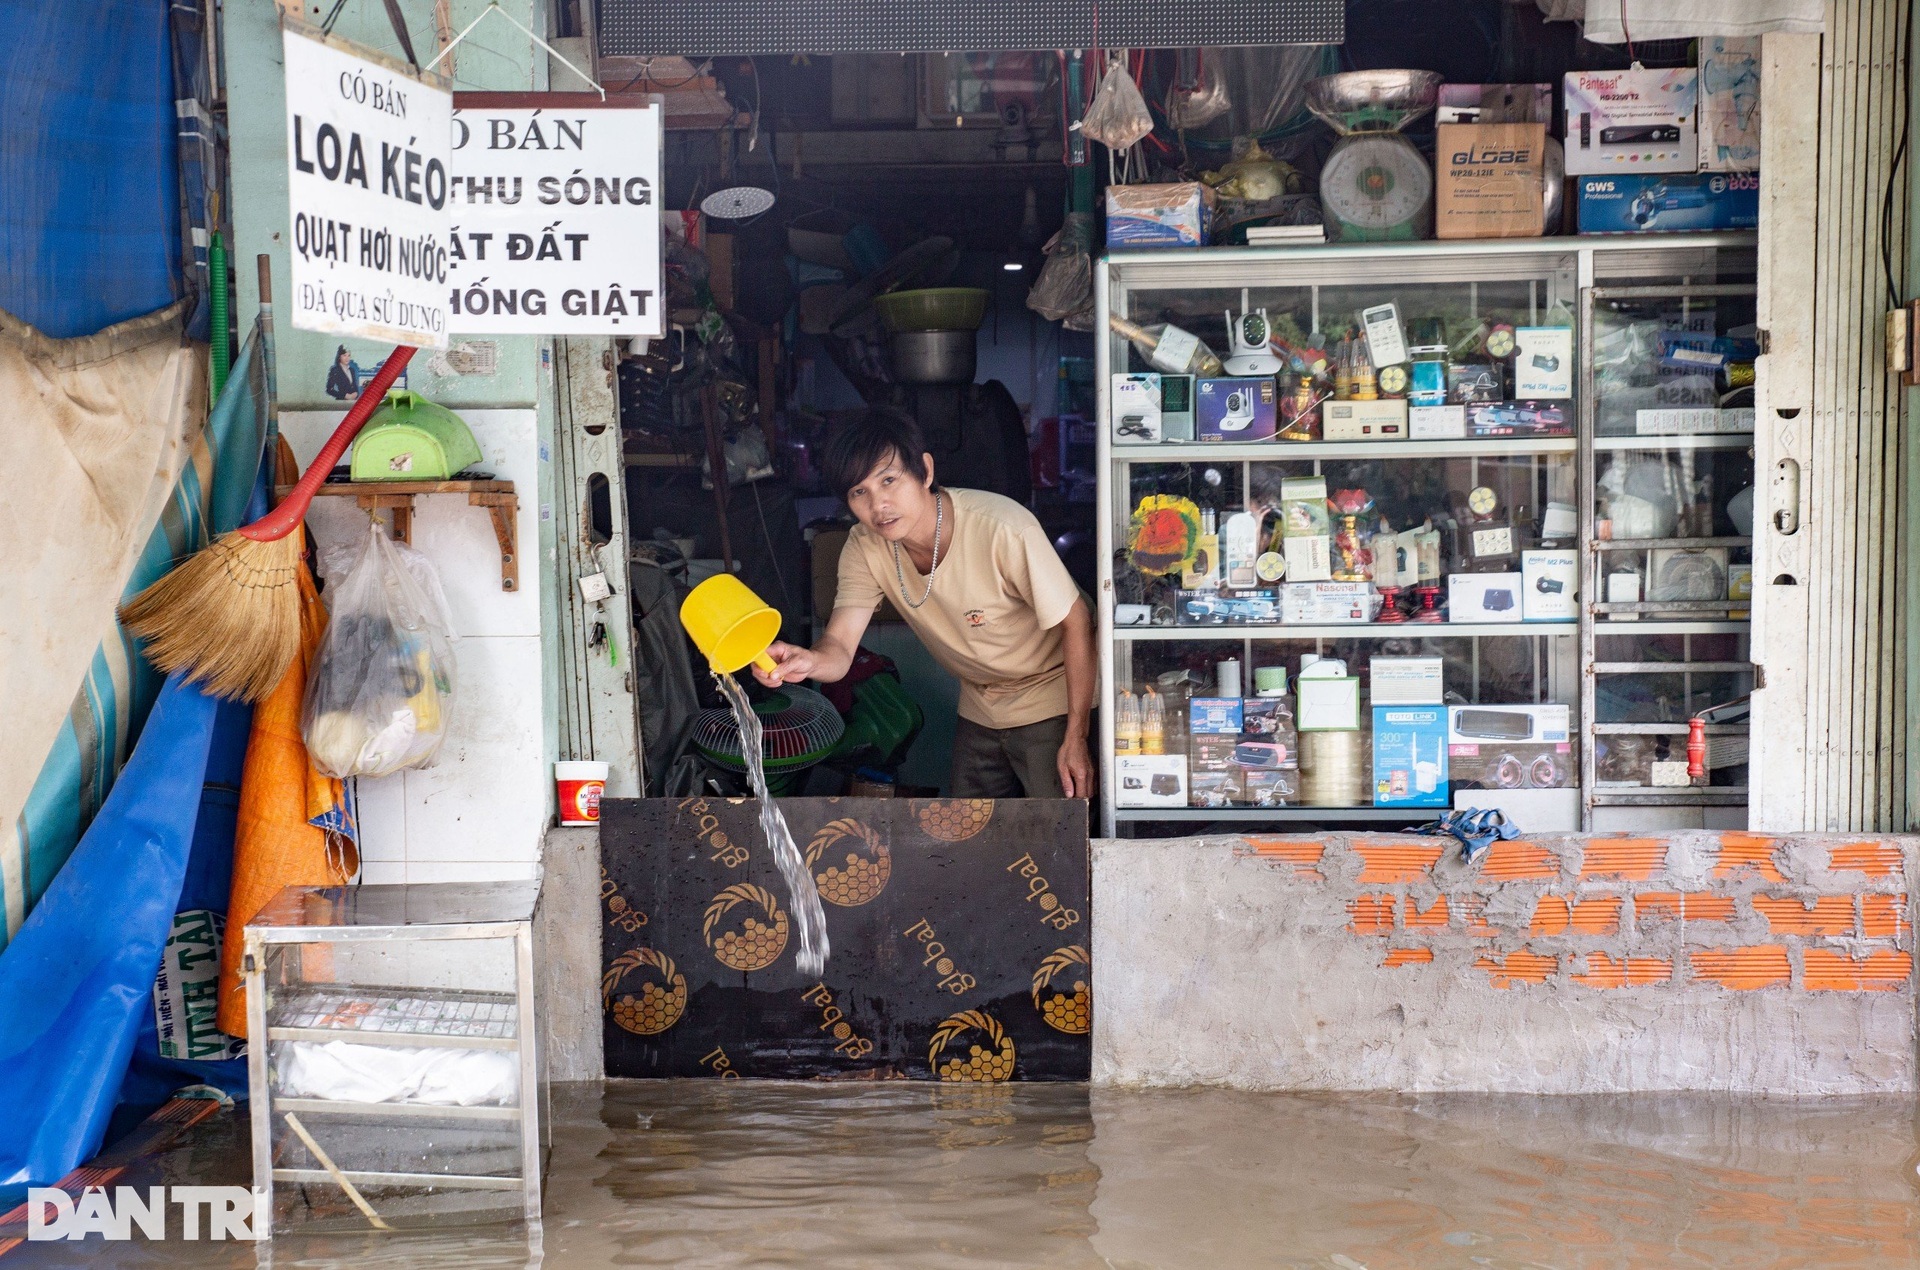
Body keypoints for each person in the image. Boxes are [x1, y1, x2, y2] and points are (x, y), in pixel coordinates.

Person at [754, 408, 1096, 799]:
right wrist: (807, 661)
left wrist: (1077, 735)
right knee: (968, 836)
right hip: (981, 703)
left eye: (889, 480)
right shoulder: (864, 548)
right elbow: (840, 647)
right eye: (859, 492)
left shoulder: (1002, 527)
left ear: (926, 471)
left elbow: (1077, 620)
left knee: (1058, 836)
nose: (878, 504)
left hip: (1053, 695)